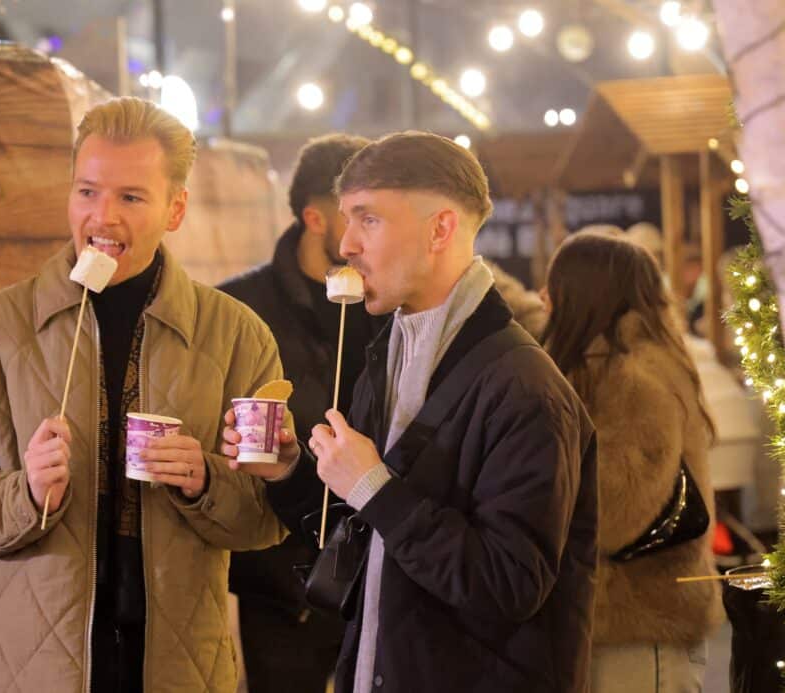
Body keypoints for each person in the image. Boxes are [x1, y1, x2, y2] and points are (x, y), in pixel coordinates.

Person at [0, 97, 287, 693]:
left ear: (175, 208)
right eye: (87, 192)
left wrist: (204, 481)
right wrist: (23, 493)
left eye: (130, 197)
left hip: (182, 669)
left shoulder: (237, 335)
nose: (102, 217)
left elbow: (267, 519)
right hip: (31, 671)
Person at [223, 131, 598, 692]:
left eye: (368, 218)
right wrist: (292, 471)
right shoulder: (389, 354)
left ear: (440, 228)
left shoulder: (525, 387)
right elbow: (360, 531)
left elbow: (509, 585)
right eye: (347, 218)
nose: (346, 243)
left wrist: (374, 485)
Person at [219, 133, 384, 693]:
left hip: (383, 565)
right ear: (316, 218)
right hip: (280, 581)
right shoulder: (241, 308)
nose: (367, 234)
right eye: (356, 216)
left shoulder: (392, 301)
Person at [542, 231, 723, 692]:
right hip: (621, 625)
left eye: (554, 284)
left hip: (640, 626)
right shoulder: (606, 364)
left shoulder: (636, 375)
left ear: (584, 294)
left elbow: (617, 511)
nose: (544, 296)